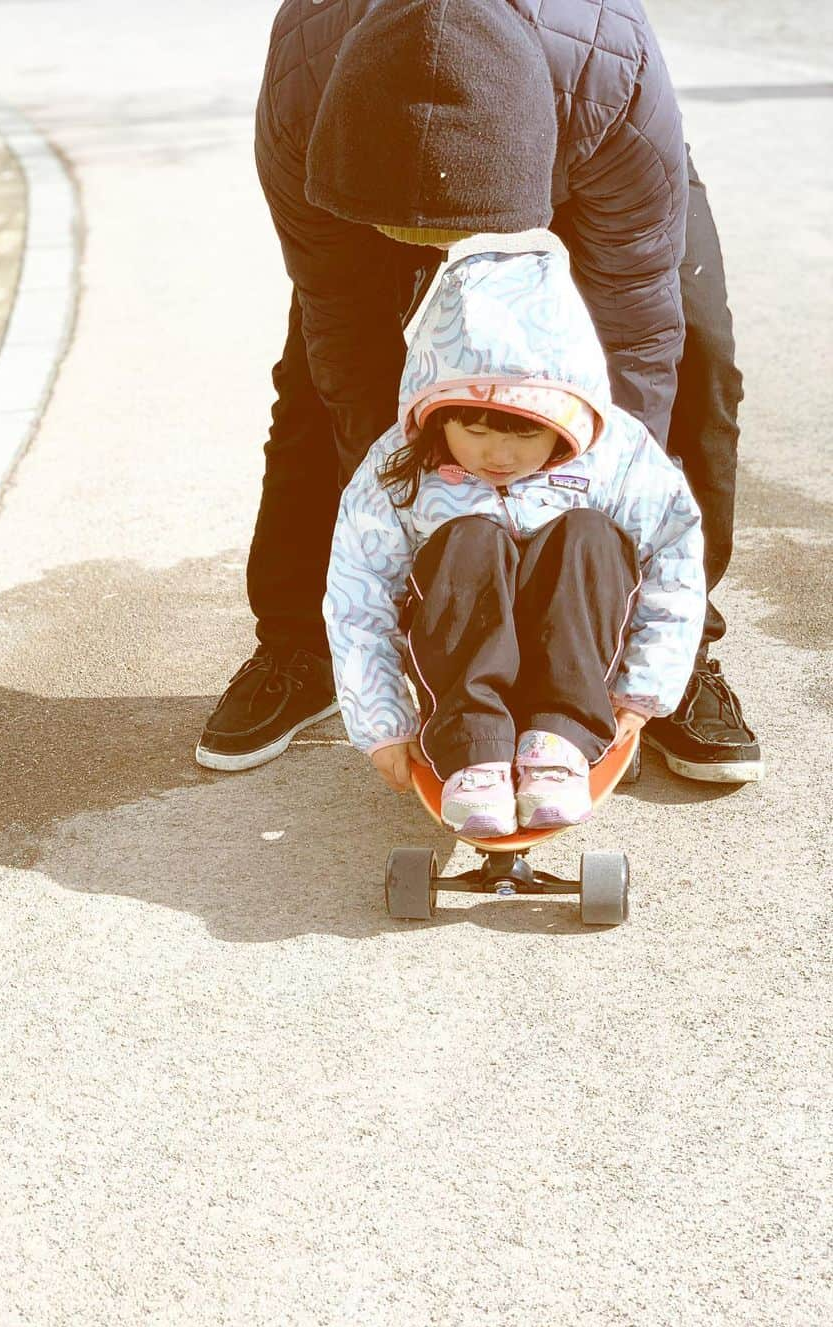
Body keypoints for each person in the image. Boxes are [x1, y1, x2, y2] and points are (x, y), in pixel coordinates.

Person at [195, 0, 761, 782]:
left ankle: (675, 647)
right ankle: (301, 644)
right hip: (359, 154)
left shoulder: (607, 77)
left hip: (589, 149)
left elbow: (635, 341)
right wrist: (410, 513)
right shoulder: (303, 95)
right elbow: (344, 329)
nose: (441, 259)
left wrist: (600, 544)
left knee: (699, 354)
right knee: (314, 378)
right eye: (418, 243)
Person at [325, 241, 706, 831]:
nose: (499, 455)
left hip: (579, 667)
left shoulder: (617, 458)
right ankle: (476, 748)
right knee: (467, 540)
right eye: (474, 430)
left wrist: (644, 688)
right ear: (439, 413)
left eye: (527, 439)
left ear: (566, 422)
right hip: (458, 679)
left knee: (588, 535)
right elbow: (358, 594)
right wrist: (382, 724)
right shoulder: (400, 472)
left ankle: (558, 738)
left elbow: (673, 562)